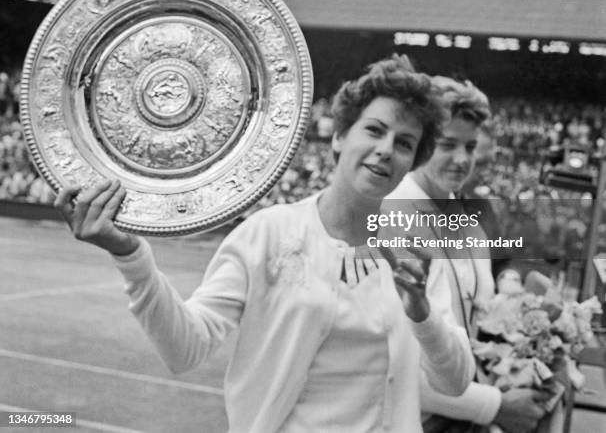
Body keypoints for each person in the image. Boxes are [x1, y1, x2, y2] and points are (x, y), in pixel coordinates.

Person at [55, 55, 474, 433]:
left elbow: (454, 382)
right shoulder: (268, 232)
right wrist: (130, 254)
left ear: (412, 163)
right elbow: (185, 348)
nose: (386, 150)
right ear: (339, 137)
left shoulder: (411, 253)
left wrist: (421, 314)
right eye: (375, 130)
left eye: (404, 144)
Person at [384, 76, 547, 433]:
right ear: (422, 142)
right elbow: (396, 364)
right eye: (447, 144)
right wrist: (494, 405)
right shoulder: (395, 215)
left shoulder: (466, 218)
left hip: (461, 414)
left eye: (470, 147)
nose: (461, 159)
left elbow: (473, 326)